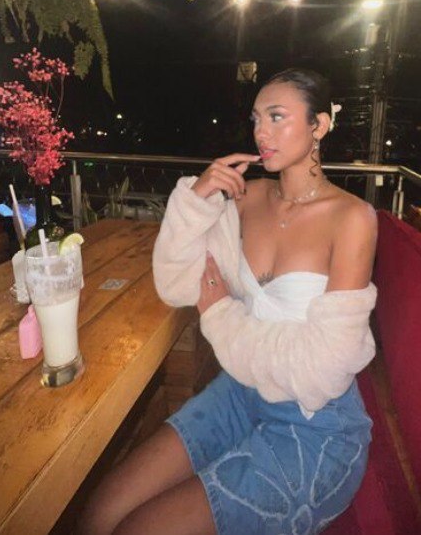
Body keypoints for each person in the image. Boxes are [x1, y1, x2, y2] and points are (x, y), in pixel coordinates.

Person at [80, 68, 378, 535]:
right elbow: (179, 285)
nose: (261, 132)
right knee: (101, 513)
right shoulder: (247, 197)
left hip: (314, 424)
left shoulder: (353, 217)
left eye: (277, 117)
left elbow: (324, 369)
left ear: (319, 125)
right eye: (257, 118)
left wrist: (222, 316)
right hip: (241, 391)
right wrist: (196, 199)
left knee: (139, 529)